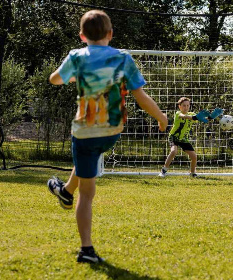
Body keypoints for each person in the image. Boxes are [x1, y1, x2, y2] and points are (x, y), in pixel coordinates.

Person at [46, 10, 167, 264]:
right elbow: (141, 98)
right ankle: (65, 190)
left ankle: (86, 250)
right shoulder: (123, 58)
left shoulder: (76, 57)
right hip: (112, 131)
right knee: (87, 162)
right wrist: (161, 117)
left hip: (85, 130)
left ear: (81, 36)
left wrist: (65, 76)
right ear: (111, 34)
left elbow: (55, 79)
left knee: (87, 193)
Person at [158, 97, 222, 178]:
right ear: (179, 106)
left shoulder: (192, 114)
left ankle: (192, 173)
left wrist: (211, 117)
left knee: (194, 157)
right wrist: (196, 117)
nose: (186, 107)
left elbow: (201, 118)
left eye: (188, 105)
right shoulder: (178, 114)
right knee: (174, 151)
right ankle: (163, 171)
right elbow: (186, 117)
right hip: (174, 137)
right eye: (184, 105)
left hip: (184, 139)